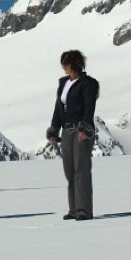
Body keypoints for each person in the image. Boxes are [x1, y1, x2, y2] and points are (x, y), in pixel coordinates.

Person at [46, 49, 99, 221]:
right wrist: (54, 129)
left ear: (73, 64)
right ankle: (74, 209)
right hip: (66, 131)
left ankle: (84, 210)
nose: (62, 67)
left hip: (80, 131)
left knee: (81, 170)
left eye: (65, 63)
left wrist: (85, 129)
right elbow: (58, 109)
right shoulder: (63, 83)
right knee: (70, 171)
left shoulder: (88, 83)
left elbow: (89, 107)